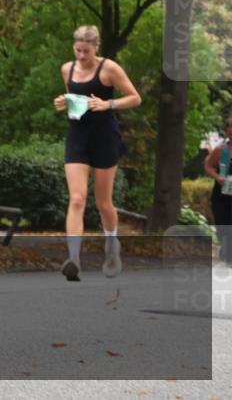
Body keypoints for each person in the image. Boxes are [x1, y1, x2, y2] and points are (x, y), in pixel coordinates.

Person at [53, 25, 141, 281]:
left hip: (104, 136)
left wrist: (107, 104)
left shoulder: (109, 69)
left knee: (103, 202)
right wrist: (63, 102)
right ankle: (73, 259)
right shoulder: (66, 69)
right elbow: (73, 99)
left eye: (86, 51)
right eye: (78, 50)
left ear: (96, 48)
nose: (81, 56)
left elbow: (135, 97)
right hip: (78, 135)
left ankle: (112, 246)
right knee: (77, 198)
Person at [203, 117, 232, 266]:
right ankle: (226, 251)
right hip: (221, 195)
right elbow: (208, 166)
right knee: (223, 225)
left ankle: (229, 255)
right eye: (230, 128)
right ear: (227, 131)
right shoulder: (221, 150)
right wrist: (217, 177)